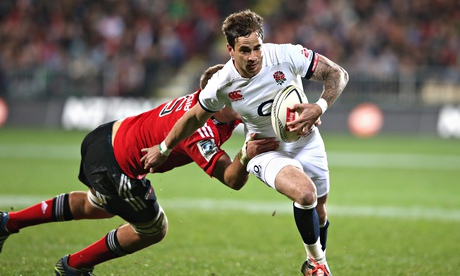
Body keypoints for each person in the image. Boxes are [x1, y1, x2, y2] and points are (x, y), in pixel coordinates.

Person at [0, 64, 279, 275]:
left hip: (104, 138)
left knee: (97, 205)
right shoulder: (199, 131)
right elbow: (232, 179)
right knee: (154, 229)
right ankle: (74, 266)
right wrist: (245, 154)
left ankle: (8, 222)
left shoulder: (211, 107)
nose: (246, 96)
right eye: (238, 92)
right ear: (218, 99)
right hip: (117, 165)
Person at [140, 9, 349, 276]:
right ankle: (319, 265)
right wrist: (164, 148)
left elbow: (338, 74)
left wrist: (319, 107)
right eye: (245, 50)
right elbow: (193, 117)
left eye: (257, 48)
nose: (253, 57)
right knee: (305, 194)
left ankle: (313, 265)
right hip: (265, 148)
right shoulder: (222, 83)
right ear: (230, 49)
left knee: (319, 209)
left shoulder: (287, 54)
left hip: (305, 139)